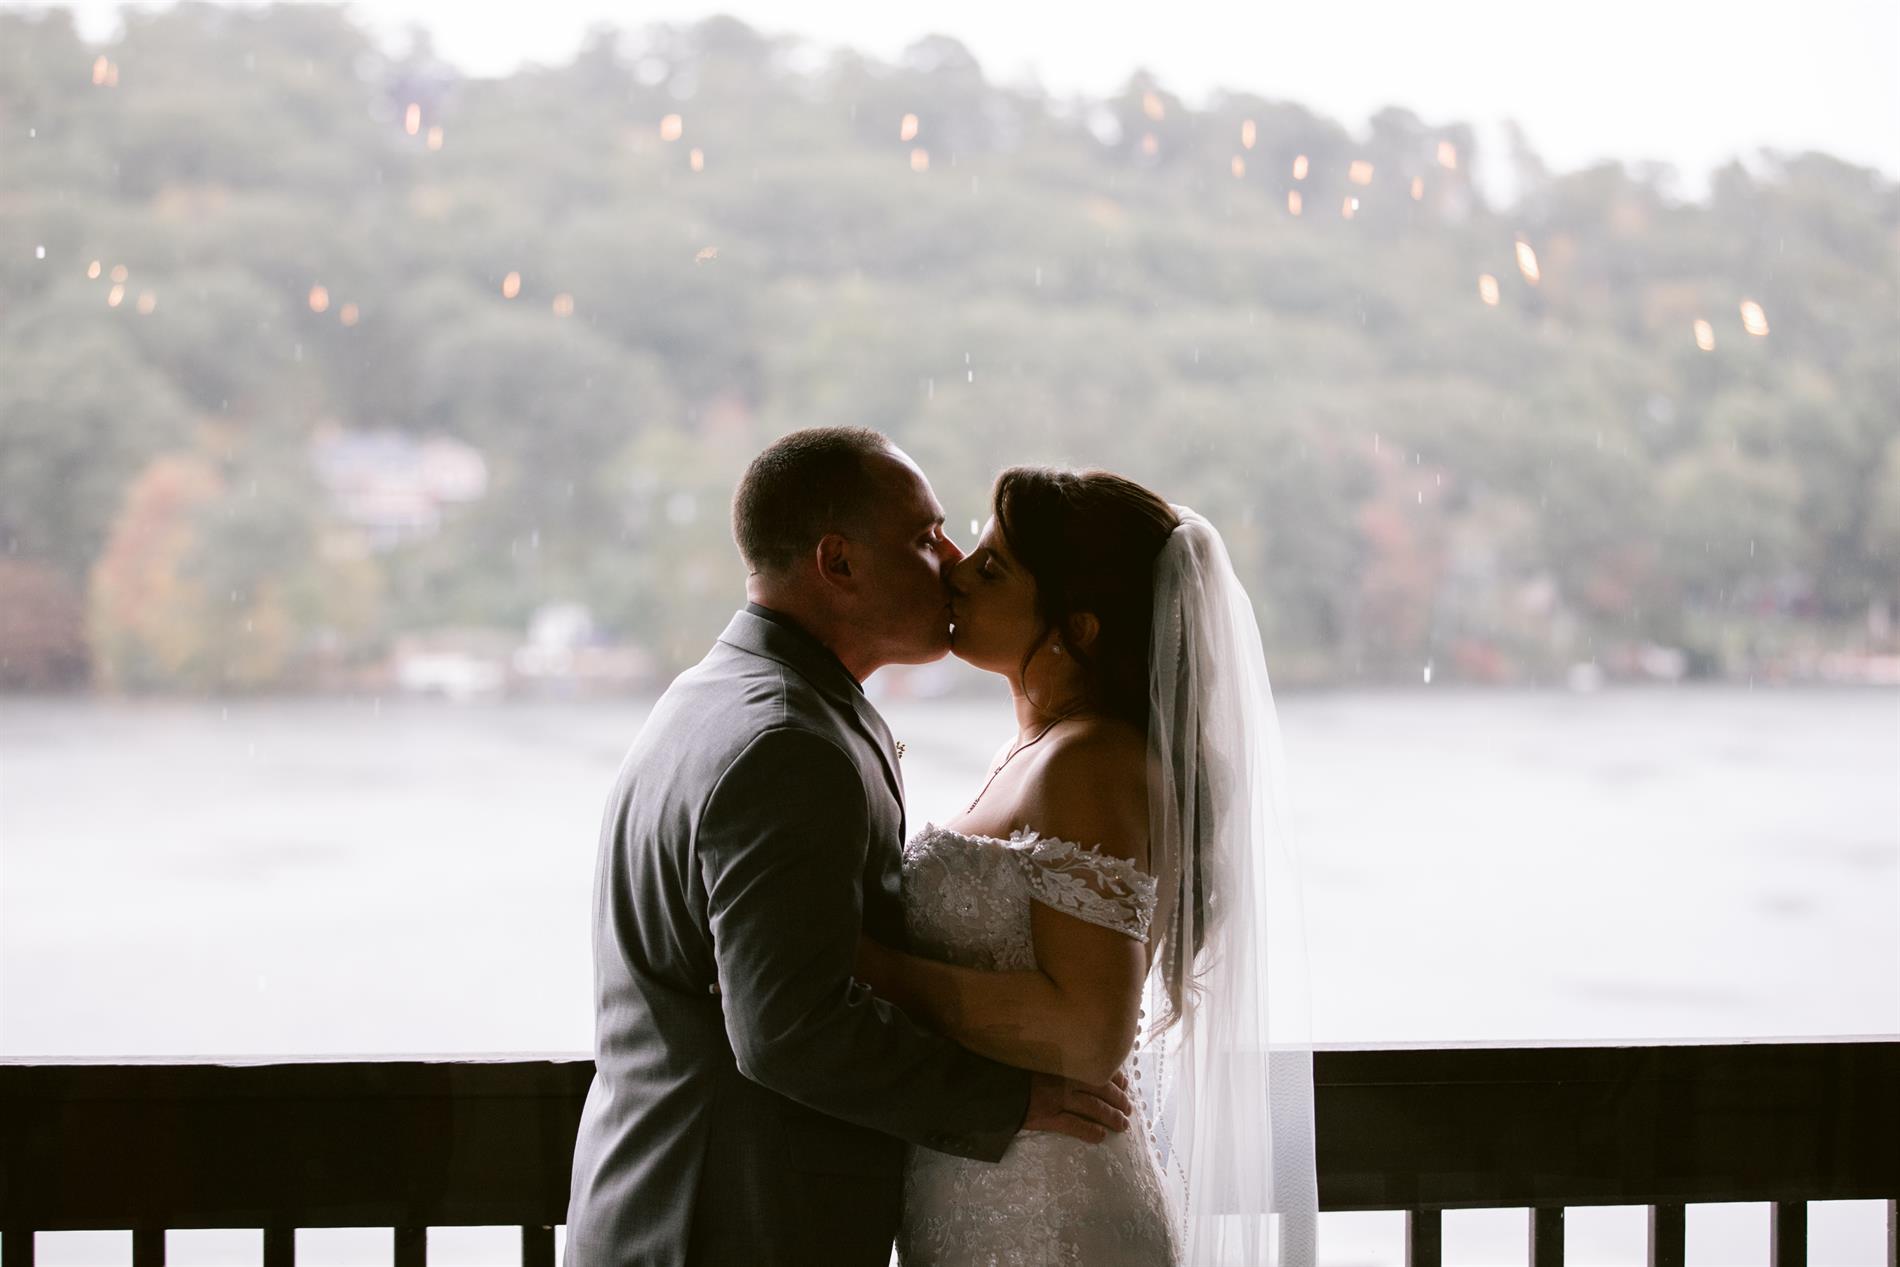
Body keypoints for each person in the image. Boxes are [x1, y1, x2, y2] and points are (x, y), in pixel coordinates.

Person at [563, 428, 1133, 1267]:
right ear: (838, 562)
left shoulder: (721, 693)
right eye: (925, 536)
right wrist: (1007, 1101)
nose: (951, 559)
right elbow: (790, 1029)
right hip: (727, 1229)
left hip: (668, 1207)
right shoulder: (788, 743)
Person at [855, 466, 1320, 1266]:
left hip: (1051, 1214)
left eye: (994, 568)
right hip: (984, 1189)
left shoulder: (1092, 762)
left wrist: (865, 967)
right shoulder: (1034, 748)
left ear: (1078, 627)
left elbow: (1088, 1033)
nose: (957, 570)